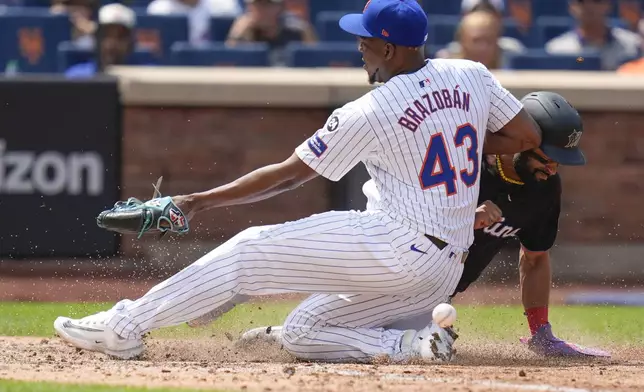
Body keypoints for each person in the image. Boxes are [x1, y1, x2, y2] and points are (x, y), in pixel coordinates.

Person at [53, 0, 541, 363]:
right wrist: (461, 139)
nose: (359, 46)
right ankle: (412, 344)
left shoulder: (371, 110)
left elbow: (288, 177)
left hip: (399, 244)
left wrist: (195, 202)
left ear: (389, 48)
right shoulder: (471, 74)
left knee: (247, 251)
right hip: (442, 271)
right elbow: (525, 133)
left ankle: (124, 326)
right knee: (303, 330)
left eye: (366, 40)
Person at [238, 91, 609, 359]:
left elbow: (535, 258)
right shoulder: (464, 160)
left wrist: (540, 331)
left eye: (561, 162)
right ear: (522, 142)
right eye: (548, 158)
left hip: (431, 296)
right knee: (350, 335)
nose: (554, 168)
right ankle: (282, 332)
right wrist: (464, 215)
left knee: (404, 343)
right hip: (391, 268)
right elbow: (406, 213)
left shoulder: (545, 190)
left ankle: (288, 336)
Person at [545, 0, 640, 71]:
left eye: (596, 1)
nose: (589, 6)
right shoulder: (557, 49)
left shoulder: (633, 44)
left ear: (608, 5)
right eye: (581, 1)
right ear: (571, 7)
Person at [225, 0, 317, 65]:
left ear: (281, 8)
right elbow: (228, 65)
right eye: (259, 4)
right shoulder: (244, 32)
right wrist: (236, 35)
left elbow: (315, 60)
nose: (263, 10)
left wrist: (306, 32)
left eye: (268, 4)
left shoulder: (297, 30)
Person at [65, 3, 137, 78]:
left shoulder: (143, 77)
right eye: (106, 35)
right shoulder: (77, 77)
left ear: (130, 42)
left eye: (120, 37)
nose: (111, 44)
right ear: (96, 39)